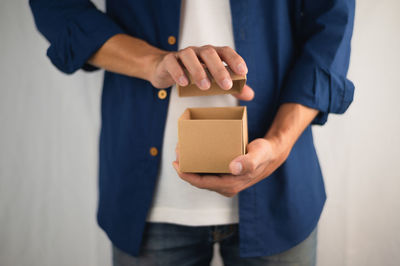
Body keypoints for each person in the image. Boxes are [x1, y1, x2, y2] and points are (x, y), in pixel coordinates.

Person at [29, 0, 355, 265]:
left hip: (280, 190)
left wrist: (279, 143)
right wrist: (153, 62)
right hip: (147, 194)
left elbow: (330, 24)